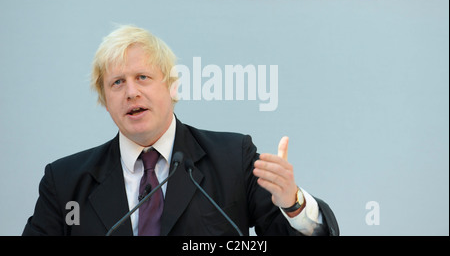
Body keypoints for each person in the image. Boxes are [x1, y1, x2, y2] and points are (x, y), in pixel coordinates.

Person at [22, 25, 339, 236]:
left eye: (143, 77)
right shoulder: (65, 182)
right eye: (117, 83)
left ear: (173, 86)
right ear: (105, 101)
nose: (131, 92)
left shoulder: (232, 159)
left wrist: (293, 204)